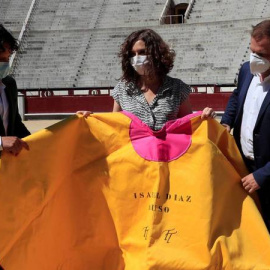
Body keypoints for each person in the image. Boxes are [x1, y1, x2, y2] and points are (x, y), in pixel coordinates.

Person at [78, 29, 215, 129]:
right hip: (133, 163)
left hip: (166, 160)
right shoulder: (122, 88)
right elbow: (114, 127)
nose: (137, 58)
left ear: (157, 54)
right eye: (133, 54)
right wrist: (92, 119)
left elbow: (188, 126)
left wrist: (204, 118)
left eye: (142, 52)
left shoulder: (177, 88)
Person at [221, 20, 270, 232]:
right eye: (252, 51)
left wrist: (262, 175)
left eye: (262, 54)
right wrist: (226, 122)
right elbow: (236, 97)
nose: (254, 59)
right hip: (242, 165)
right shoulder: (245, 71)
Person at [0, 24, 30, 156]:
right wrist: (0, 142)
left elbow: (16, 124)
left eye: (7, 58)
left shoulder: (9, 84)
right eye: (1, 59)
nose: (6, 63)